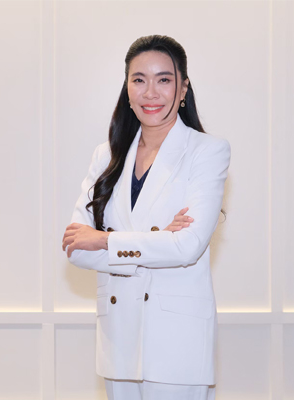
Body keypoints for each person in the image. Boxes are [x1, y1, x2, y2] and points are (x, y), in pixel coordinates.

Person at [62, 34, 231, 400]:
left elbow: (187, 247)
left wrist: (106, 240)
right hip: (118, 340)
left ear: (183, 88)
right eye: (139, 79)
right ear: (127, 89)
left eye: (164, 79)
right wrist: (158, 242)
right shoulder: (106, 154)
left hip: (178, 341)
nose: (150, 92)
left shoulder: (207, 151)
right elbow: (76, 248)